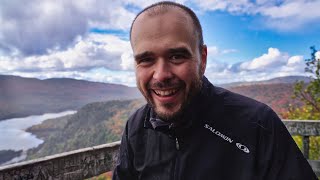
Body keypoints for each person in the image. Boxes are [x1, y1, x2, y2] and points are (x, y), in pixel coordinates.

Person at [113, 1, 317, 180]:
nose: (161, 75)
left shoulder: (258, 125)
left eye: (176, 56)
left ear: (202, 59)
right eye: (146, 59)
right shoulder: (137, 126)